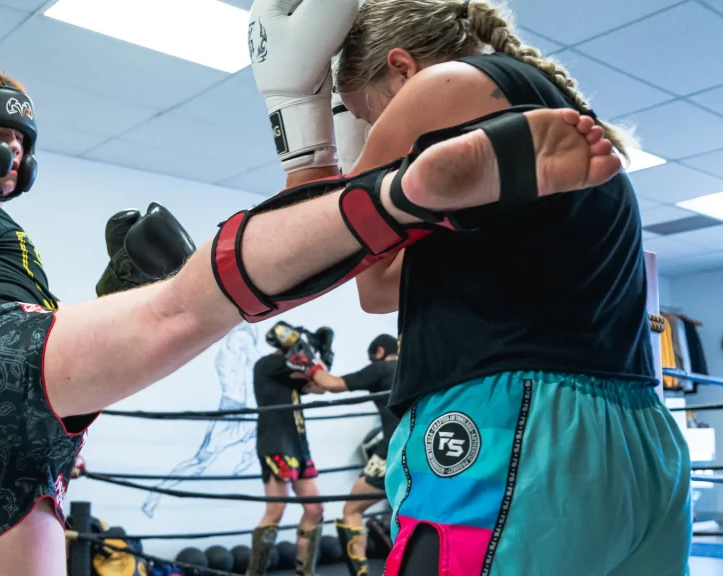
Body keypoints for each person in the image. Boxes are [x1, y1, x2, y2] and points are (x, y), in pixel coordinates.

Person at [0, 48, 621, 576]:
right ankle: (401, 196)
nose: (14, 154)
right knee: (186, 309)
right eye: (2, 138)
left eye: (22, 143)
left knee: (164, 312)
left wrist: (114, 292)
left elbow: (47, 349)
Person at [257, 0, 690, 574]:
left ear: (402, 68)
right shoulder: (547, 113)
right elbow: (380, 291)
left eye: (365, 115)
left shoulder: (442, 85)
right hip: (638, 441)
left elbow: (312, 258)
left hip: (514, 432)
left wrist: (304, 134)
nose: (369, 133)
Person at [296, 333, 400, 576]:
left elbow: (332, 384)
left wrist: (308, 362)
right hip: (425, 450)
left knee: (352, 509)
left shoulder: (381, 368)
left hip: (393, 451)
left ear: (379, 352)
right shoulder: (413, 367)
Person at [141, 324, 260, 519]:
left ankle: (246, 461)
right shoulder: (239, 340)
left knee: (269, 430)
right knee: (199, 463)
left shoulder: (238, 347)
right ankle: (156, 494)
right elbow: (257, 362)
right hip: (231, 412)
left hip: (243, 412)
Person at [245, 320, 333, 576]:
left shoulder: (291, 373)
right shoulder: (268, 364)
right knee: (276, 510)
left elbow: (321, 386)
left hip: (298, 445)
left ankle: (305, 573)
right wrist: (312, 357)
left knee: (315, 509)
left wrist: (325, 357)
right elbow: (307, 370)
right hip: (276, 443)